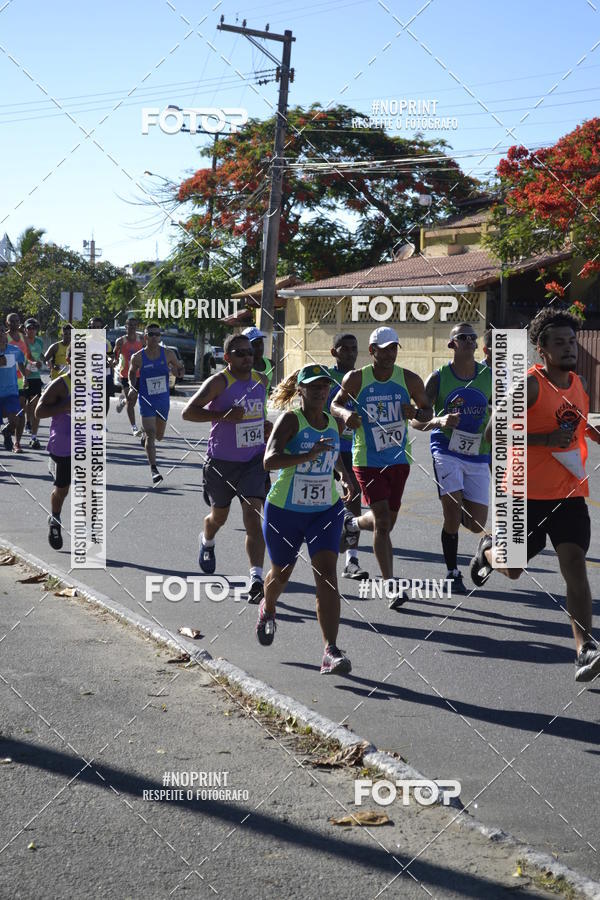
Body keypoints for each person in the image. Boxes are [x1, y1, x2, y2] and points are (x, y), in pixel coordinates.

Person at [471, 307, 600, 682]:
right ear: (541, 349)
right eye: (559, 342)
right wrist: (542, 439)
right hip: (521, 493)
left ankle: (584, 649)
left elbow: (574, 422)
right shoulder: (528, 385)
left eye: (572, 341)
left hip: (568, 492)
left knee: (574, 564)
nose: (569, 348)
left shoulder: (578, 383)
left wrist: (592, 434)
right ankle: (488, 550)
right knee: (512, 569)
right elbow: (494, 433)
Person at [257, 364, 354, 675]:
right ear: (300, 390)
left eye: (325, 386)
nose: (320, 391)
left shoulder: (333, 422)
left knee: (327, 573)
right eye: (313, 386)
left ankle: (330, 651)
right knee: (282, 573)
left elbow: (334, 452)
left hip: (325, 509)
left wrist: (345, 475)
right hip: (285, 510)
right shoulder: (290, 420)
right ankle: (268, 607)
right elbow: (269, 460)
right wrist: (306, 456)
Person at [331, 326, 432, 608]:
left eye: (393, 349)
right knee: (384, 523)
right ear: (372, 351)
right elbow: (335, 405)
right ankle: (390, 585)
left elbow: (427, 411)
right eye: (383, 349)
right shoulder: (356, 378)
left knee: (385, 522)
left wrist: (416, 413)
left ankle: (351, 523)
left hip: (399, 459)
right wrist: (347, 412)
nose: (389, 354)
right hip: (367, 459)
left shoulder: (408, 379)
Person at [182, 333, 272, 604]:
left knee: (253, 517)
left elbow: (258, 414)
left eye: (250, 352)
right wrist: (222, 416)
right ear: (227, 357)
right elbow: (188, 411)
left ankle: (256, 578)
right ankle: (207, 540)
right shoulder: (219, 382)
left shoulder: (261, 380)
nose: (248, 357)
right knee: (218, 517)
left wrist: (266, 429)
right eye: (241, 353)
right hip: (222, 462)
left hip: (254, 461)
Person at [412, 323, 492, 594]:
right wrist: (440, 420)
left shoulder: (488, 376)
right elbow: (416, 421)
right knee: (452, 511)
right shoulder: (439, 377)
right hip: (446, 449)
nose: (470, 341)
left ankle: (482, 550)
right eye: (463, 337)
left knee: (477, 524)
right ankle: (452, 571)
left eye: (473, 337)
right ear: (452, 344)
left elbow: (502, 413)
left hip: (478, 453)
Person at [327, 333, 368, 580]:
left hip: (352, 447)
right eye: (345, 349)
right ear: (334, 352)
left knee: (353, 497)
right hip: (325, 444)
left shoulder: (362, 379)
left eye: (354, 348)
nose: (351, 353)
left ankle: (351, 561)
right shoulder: (326, 377)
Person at [128, 322, 184, 486]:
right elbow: (131, 373)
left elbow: (180, 370)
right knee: (151, 434)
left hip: (162, 401)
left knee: (159, 436)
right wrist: (133, 387)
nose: (154, 337)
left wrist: (177, 372)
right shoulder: (137, 357)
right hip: (146, 400)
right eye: (151, 334)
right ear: (145, 337)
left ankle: (145, 437)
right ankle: (154, 469)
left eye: (157, 334)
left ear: (160, 337)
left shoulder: (168, 354)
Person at [36, 350, 72, 550]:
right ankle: (55, 519)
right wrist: (65, 407)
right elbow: (39, 412)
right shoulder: (60, 384)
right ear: (69, 359)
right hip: (63, 446)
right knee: (62, 490)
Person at [113, 315, 143, 436]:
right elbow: (115, 355)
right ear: (126, 326)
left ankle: (122, 401)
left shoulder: (141, 340)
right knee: (131, 400)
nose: (132, 327)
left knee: (133, 399)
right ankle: (134, 427)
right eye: (130, 325)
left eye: (134, 325)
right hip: (125, 375)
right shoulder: (121, 341)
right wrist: (114, 360)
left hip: (140, 374)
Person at [0, 323, 28, 453]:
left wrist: (24, 377)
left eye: (1, 331)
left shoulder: (15, 350)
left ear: (5, 334)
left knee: (15, 421)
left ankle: (7, 431)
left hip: (11, 392)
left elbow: (21, 363)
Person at [6, 313, 31, 453]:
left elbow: (27, 356)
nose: (15, 323)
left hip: (20, 379)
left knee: (21, 410)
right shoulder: (4, 337)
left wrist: (29, 369)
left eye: (17, 320)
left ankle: (17, 443)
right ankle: (7, 430)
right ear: (7, 322)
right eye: (12, 321)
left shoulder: (23, 337)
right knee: (7, 412)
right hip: (5, 378)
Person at [23, 318, 44, 449]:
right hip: (23, 375)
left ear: (36, 330)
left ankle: (31, 427)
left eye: (33, 328)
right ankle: (27, 421)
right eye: (29, 328)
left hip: (35, 376)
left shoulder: (40, 341)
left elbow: (39, 354)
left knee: (35, 403)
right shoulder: (22, 341)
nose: (31, 330)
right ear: (25, 329)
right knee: (25, 403)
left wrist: (44, 361)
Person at [89, 317, 114, 419]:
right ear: (89, 328)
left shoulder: (106, 342)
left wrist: (109, 362)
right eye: (93, 327)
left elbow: (111, 357)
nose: (96, 329)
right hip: (89, 376)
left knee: (105, 399)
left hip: (104, 375)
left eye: (98, 327)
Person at [242, 326, 274, 393]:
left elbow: (267, 388)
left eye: (261, 343)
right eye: (255, 344)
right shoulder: (242, 367)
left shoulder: (270, 364)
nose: (260, 348)